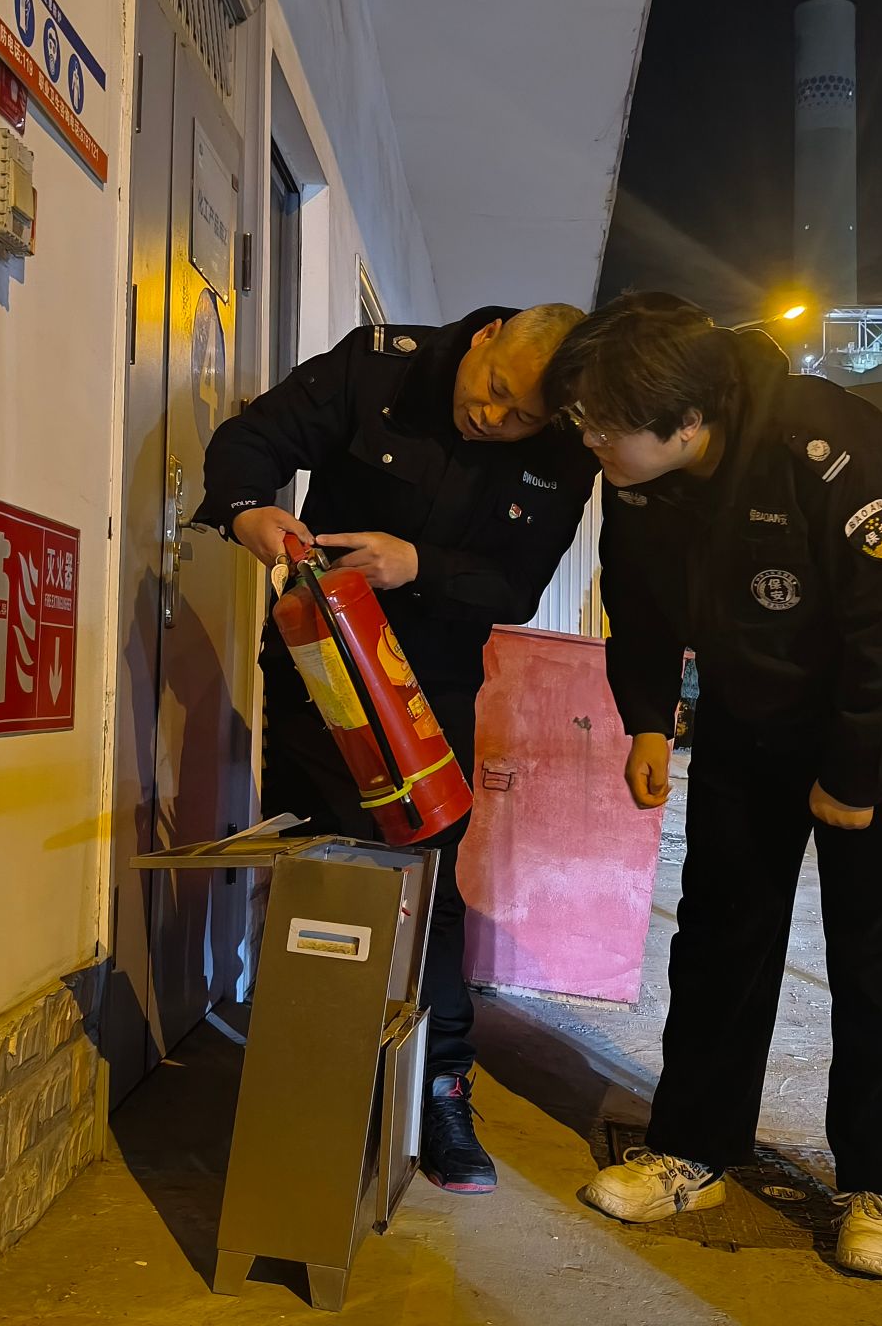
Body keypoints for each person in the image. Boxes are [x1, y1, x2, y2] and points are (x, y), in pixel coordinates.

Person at [547, 292, 882, 1279]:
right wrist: (647, 718)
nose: (588, 440)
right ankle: (691, 1149)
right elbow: (638, 601)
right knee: (718, 935)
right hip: (750, 711)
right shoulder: (640, 478)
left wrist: (855, 771)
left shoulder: (821, 445)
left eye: (603, 424)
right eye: (583, 420)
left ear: (687, 421)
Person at [192, 303, 595, 1194]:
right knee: (315, 866)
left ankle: (440, 1090)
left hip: (428, 691)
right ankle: (307, 1086)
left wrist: (419, 565)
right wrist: (250, 513)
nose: (493, 418)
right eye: (494, 391)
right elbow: (251, 440)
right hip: (320, 669)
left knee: (427, 877)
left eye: (520, 417)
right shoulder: (378, 368)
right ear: (486, 338)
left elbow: (518, 587)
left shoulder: (566, 455)